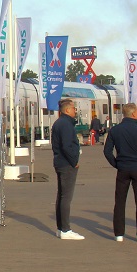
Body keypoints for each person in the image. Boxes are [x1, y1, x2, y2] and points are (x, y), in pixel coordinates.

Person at [104, 103, 137, 242]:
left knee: (119, 201)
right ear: (132, 114)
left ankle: (119, 234)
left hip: (123, 168)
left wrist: (116, 164)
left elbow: (107, 151)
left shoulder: (115, 130)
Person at [51, 98, 83, 240]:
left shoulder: (60, 123)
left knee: (62, 195)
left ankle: (61, 228)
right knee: (66, 196)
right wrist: (74, 160)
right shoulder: (65, 124)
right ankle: (65, 229)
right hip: (66, 164)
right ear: (67, 110)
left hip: (60, 162)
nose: (75, 111)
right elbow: (66, 145)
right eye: (73, 108)